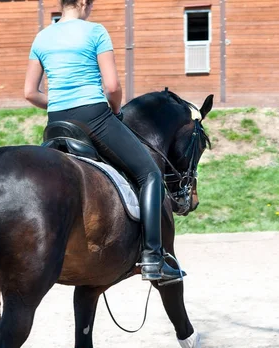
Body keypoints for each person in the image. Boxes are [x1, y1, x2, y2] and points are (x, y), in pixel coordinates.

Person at [24, 0, 182, 283]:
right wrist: (117, 111)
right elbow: (112, 87)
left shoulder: (42, 36)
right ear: (83, 3)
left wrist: (60, 103)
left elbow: (30, 93)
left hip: (56, 122)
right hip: (93, 117)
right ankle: (153, 257)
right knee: (150, 174)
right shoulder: (95, 31)